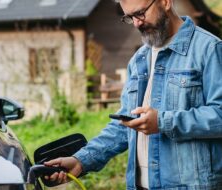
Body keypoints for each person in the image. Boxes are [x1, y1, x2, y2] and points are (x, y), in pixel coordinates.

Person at [45, 0, 222, 189]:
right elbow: (124, 126)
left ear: (165, 2)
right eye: (129, 17)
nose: (137, 23)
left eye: (140, 13)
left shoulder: (209, 49)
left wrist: (163, 122)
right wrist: (80, 161)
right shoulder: (138, 60)